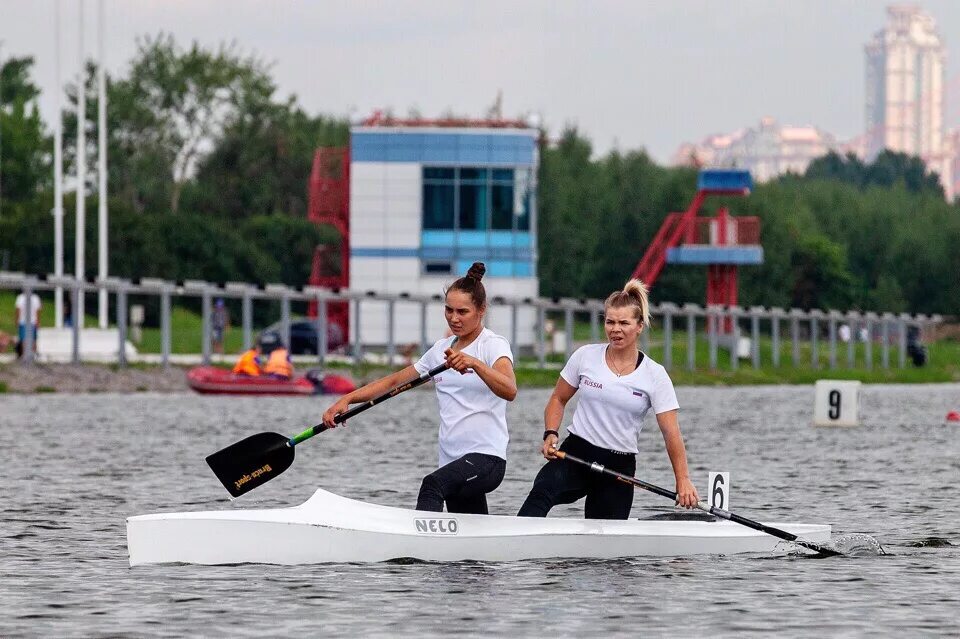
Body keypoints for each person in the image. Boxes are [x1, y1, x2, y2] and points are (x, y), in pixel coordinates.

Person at [322, 262, 517, 515]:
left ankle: (417, 553)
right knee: (469, 538)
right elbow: (393, 382)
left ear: (481, 310)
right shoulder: (440, 350)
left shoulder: (492, 345)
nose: (454, 318)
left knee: (432, 484)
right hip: (452, 460)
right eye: (448, 310)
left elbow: (510, 389)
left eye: (462, 311)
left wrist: (475, 363)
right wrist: (347, 398)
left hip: (486, 459)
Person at [517, 278, 699, 520]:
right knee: (542, 490)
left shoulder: (655, 375)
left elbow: (671, 433)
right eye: (610, 322)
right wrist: (550, 433)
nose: (616, 329)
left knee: (605, 551)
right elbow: (558, 399)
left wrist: (683, 480)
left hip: (618, 467)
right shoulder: (585, 357)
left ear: (640, 326)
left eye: (624, 323)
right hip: (575, 454)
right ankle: (514, 543)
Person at [14, 290, 42, 358]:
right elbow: (18, 310)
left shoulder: (35, 298)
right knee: (24, 339)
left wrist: (38, 321)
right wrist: (17, 320)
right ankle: (25, 353)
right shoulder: (20, 297)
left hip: (32, 321)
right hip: (23, 321)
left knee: (33, 338)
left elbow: (37, 310)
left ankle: (34, 353)